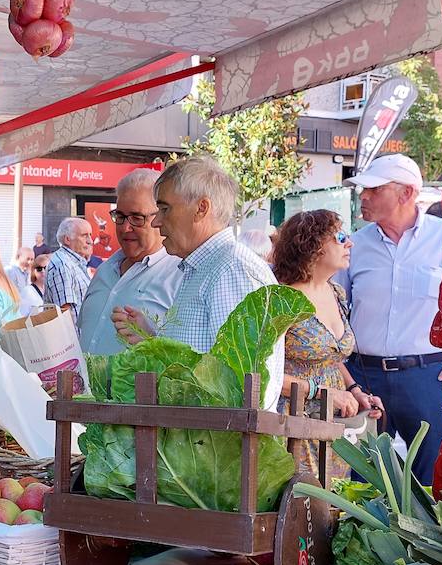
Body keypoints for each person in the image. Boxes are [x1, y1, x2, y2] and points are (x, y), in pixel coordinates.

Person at [114, 156, 284, 408]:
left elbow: (238, 386)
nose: (157, 221)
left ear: (201, 208)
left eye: (164, 209)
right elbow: (202, 361)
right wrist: (152, 340)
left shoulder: (231, 269)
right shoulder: (206, 266)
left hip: (217, 442)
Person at [338, 153, 442, 486]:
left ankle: (430, 540)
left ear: (406, 194)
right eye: (363, 190)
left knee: (437, 485)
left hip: (430, 378)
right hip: (364, 379)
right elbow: (334, 314)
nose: (364, 197)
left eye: (374, 189)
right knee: (361, 480)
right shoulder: (353, 246)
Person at [270, 210, 384, 481]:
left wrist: (355, 390)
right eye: (341, 237)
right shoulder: (283, 298)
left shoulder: (336, 292)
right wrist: (322, 394)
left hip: (335, 422)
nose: (350, 243)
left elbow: (331, 358)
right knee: (306, 505)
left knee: (336, 503)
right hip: (294, 420)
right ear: (313, 245)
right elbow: (265, 373)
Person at [78, 169, 183, 355]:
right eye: (120, 216)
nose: (126, 228)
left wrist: (152, 340)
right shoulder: (105, 270)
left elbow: (189, 359)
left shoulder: (179, 276)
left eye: (137, 218)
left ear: (159, 218)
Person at [43, 217, 94, 331]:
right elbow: (64, 312)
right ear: (67, 239)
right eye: (84, 235)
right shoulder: (63, 264)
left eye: (90, 235)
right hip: (72, 344)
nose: (90, 240)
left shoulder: (72, 262)